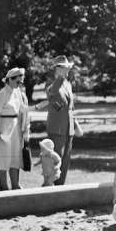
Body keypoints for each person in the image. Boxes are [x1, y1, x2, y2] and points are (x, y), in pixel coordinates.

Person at [36, 55, 76, 185]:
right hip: (57, 128)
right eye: (65, 68)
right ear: (58, 69)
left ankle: (60, 189)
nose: (68, 70)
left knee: (65, 161)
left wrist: (76, 125)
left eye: (68, 68)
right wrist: (53, 102)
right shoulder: (52, 85)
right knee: (54, 162)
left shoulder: (67, 84)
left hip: (68, 128)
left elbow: (70, 107)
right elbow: (56, 105)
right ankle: (50, 188)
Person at [0, 68, 30, 190]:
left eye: (21, 82)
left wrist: (24, 127)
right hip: (4, 127)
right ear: (10, 79)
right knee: (3, 157)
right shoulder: (2, 94)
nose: (20, 84)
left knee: (15, 156)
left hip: (15, 128)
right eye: (18, 82)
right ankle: (3, 185)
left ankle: (15, 184)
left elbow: (22, 109)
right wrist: (0, 131)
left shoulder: (17, 92)